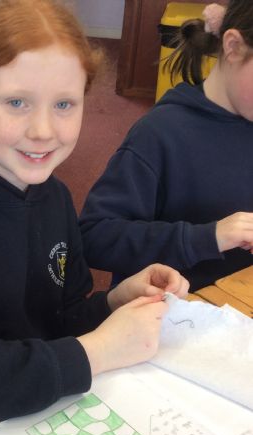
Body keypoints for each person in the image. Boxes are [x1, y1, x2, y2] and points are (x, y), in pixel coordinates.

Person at [0, 0, 189, 431]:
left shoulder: (54, 196)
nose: (43, 130)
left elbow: (60, 318)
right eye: (17, 102)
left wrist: (114, 302)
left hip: (38, 412)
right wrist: (97, 351)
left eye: (64, 105)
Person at [79, 0, 253, 292]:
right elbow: (94, 236)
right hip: (174, 309)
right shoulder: (160, 134)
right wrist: (207, 238)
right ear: (233, 47)